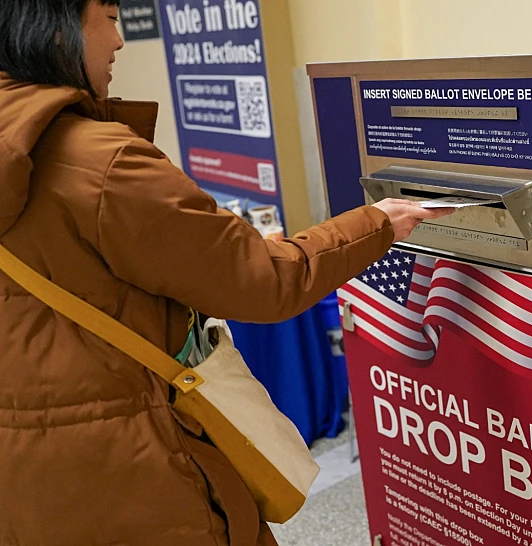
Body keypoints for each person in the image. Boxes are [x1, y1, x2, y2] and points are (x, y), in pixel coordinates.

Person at [0, 1, 453, 544]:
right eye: (111, 18)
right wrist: (380, 220)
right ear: (52, 26)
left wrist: (208, 262)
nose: (119, 42)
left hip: (32, 469)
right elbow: (266, 284)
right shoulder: (99, 161)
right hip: (137, 464)